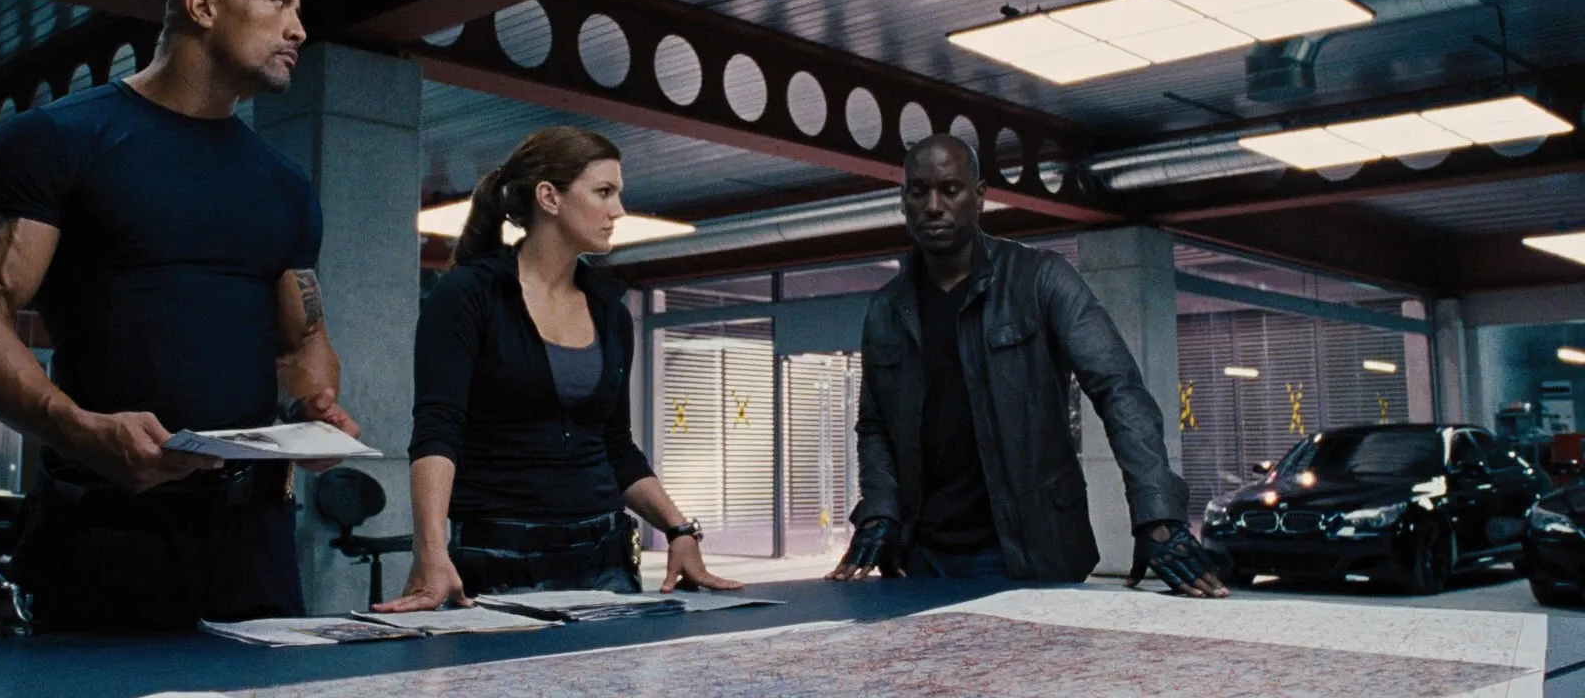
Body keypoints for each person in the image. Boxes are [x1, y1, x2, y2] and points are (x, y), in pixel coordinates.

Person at [0, 0, 361, 632]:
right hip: (103, 533)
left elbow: (303, 339)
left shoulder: (284, 184)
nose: (299, 29)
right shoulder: (55, 139)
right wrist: (78, 430)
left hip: (253, 543)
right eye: (278, 2)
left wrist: (315, 413)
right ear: (202, 6)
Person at [825, 134, 1226, 598]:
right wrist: (879, 510)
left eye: (950, 190)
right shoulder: (886, 308)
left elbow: (1119, 389)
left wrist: (1157, 513)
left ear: (979, 196)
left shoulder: (1041, 279)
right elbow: (874, 425)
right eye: (918, 192)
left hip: (1031, 553)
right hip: (920, 558)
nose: (933, 206)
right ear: (903, 201)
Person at [373, 127, 742, 612]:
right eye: (604, 192)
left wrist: (679, 529)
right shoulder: (468, 294)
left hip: (606, 556)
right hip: (498, 557)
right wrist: (430, 549)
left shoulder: (610, 311)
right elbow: (437, 429)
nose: (618, 211)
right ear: (549, 197)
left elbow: (616, 445)